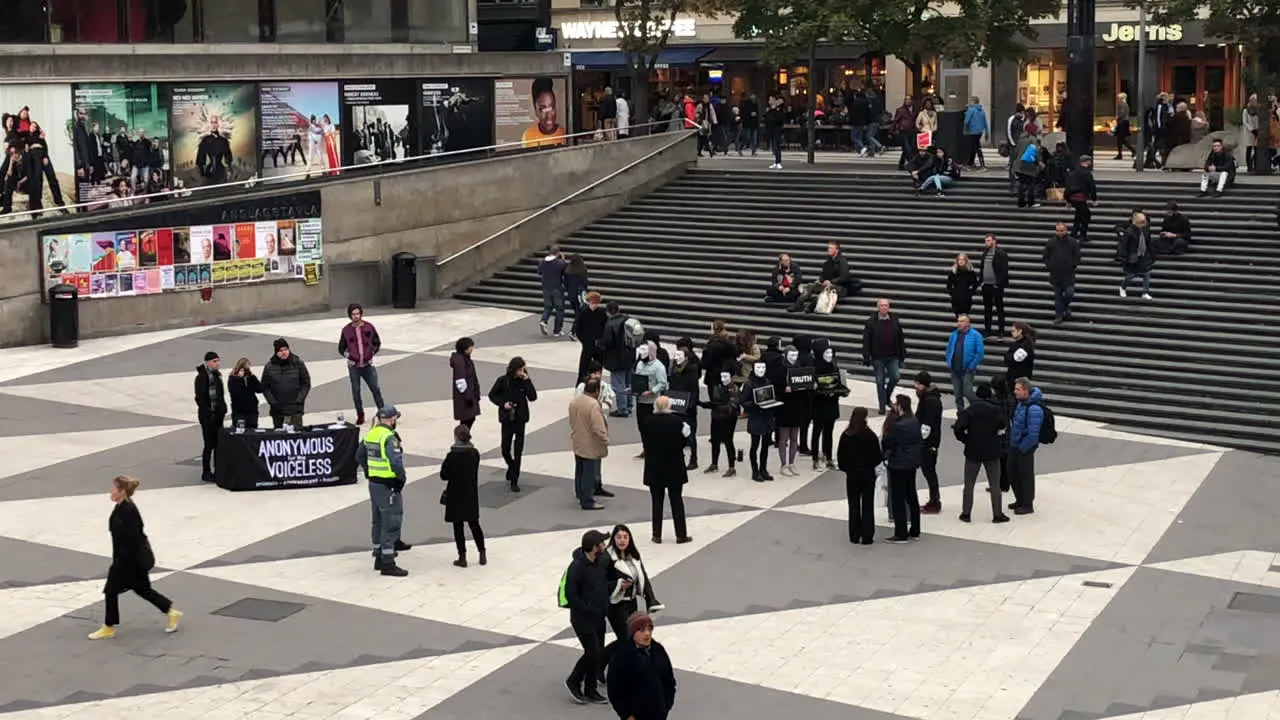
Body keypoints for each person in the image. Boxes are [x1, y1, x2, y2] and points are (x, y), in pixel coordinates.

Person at [87, 476, 182, 640]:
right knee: (143, 590)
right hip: (128, 559)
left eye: (114, 489)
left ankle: (109, 627)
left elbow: (134, 537)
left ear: (122, 491)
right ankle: (171, 612)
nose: (111, 491)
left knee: (111, 591)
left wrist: (123, 562)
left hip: (128, 561)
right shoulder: (121, 507)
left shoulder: (128, 510)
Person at [357, 405, 410, 576]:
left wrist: (369, 471)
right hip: (388, 484)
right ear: (391, 419)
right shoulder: (389, 437)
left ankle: (379, 554)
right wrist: (401, 479)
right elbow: (395, 462)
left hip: (374, 484)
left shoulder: (371, 434)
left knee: (378, 519)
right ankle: (388, 562)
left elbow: (359, 455)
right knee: (391, 521)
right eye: (395, 419)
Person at [565, 529, 612, 705]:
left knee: (597, 654)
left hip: (599, 616)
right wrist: (587, 609)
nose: (605, 546)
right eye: (602, 543)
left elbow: (606, 581)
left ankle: (591, 690)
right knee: (593, 652)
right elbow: (571, 594)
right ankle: (574, 680)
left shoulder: (601, 561)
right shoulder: (577, 567)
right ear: (594, 548)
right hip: (582, 618)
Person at [952, 384, 1010, 523]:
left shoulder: (971, 410)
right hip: (992, 450)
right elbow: (1004, 425)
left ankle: (966, 513)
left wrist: (966, 440)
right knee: (995, 484)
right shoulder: (996, 410)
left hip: (973, 450)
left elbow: (958, 428)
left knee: (969, 484)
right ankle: (997, 514)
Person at [606, 612, 678, 720]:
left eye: (650, 629)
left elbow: (669, 681)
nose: (647, 634)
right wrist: (626, 715)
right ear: (632, 633)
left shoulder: (658, 650)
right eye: (642, 630)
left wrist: (666, 706)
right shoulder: (621, 656)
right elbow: (615, 690)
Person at [642, 396, 692, 544]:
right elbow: (685, 441)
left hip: (654, 466)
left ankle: (656, 534)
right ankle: (681, 534)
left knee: (656, 502)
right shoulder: (678, 422)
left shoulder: (647, 422)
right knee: (676, 500)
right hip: (674, 466)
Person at [489, 356, 537, 492]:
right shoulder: (503, 381)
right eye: (520, 369)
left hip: (520, 418)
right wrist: (503, 404)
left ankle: (515, 479)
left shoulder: (524, 382)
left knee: (518, 449)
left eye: (523, 369)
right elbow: (492, 395)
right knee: (505, 448)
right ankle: (511, 466)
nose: (522, 372)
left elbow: (533, 397)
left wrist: (527, 381)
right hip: (507, 418)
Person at [441, 423, 486, 568]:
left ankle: (462, 556)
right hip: (470, 493)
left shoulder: (452, 456)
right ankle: (482, 552)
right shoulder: (474, 454)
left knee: (458, 526)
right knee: (474, 524)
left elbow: (444, 475)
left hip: (455, 494)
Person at [837, 407, 883, 545]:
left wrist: (847, 469)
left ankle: (854, 535)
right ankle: (867, 535)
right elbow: (877, 457)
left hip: (852, 475)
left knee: (854, 505)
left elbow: (841, 457)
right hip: (868, 474)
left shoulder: (846, 435)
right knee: (867, 505)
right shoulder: (870, 435)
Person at [881, 394, 923, 543]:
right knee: (912, 496)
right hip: (912, 463)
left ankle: (901, 533)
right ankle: (915, 530)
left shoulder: (898, 426)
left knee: (898, 499)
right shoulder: (914, 421)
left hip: (899, 464)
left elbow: (887, 442)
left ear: (900, 406)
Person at [338, 303, 384, 425]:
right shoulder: (346, 330)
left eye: (358, 314)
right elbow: (341, 348)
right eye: (353, 314)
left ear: (361, 314)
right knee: (356, 391)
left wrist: (372, 352)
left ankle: (382, 412)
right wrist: (349, 355)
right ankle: (360, 415)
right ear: (350, 315)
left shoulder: (369, 327)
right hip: (354, 367)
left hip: (368, 365)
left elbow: (377, 342)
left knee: (375, 388)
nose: (356, 316)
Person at [569, 378, 610, 511]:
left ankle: (580, 493)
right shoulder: (593, 405)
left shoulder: (575, 402)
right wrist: (605, 439)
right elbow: (598, 427)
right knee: (589, 472)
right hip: (590, 444)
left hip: (577, 440)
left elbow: (571, 420)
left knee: (579, 469)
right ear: (597, 391)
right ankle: (587, 500)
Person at [862, 298, 907, 415]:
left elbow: (900, 337)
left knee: (896, 377)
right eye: (882, 305)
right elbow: (866, 340)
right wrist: (866, 356)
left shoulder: (894, 320)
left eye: (886, 305)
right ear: (878, 307)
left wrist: (902, 354)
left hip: (893, 355)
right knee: (880, 381)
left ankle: (886, 397)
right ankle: (882, 405)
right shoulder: (871, 321)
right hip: (878, 357)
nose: (884, 308)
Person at [1008, 378, 1045, 515]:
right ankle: (1020, 500)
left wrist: (1022, 447)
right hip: (1015, 445)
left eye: (1018, 389)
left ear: (1025, 390)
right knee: (1012, 472)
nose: (1015, 392)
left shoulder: (1034, 409)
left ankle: (1027, 504)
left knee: (1025, 475)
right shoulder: (1021, 404)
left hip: (1024, 447)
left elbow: (1033, 434)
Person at [810, 338, 848, 470]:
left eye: (831, 353)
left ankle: (829, 456)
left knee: (829, 432)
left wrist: (842, 391)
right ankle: (815, 458)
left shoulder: (833, 365)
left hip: (832, 403)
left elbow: (838, 382)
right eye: (826, 353)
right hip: (819, 405)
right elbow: (811, 388)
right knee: (817, 431)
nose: (829, 355)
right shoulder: (814, 367)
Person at [774, 344, 810, 476]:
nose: (794, 358)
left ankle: (792, 462)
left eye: (795, 355)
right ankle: (783, 464)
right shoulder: (780, 369)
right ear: (786, 355)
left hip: (797, 405)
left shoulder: (799, 368)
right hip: (784, 406)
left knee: (794, 436)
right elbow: (776, 387)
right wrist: (784, 389)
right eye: (791, 355)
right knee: (784, 437)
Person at [261, 338, 311, 429]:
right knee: (279, 436)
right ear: (276, 352)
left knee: (296, 435)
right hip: (278, 410)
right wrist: (273, 402)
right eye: (281, 350)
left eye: (285, 349)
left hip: (295, 408)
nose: (284, 352)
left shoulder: (298, 363)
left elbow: (306, 383)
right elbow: (265, 387)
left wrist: (299, 399)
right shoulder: (269, 366)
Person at [668, 338, 702, 469]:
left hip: (688, 403)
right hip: (676, 401)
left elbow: (693, 388)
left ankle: (693, 459)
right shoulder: (674, 368)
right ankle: (678, 457)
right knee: (676, 432)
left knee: (690, 432)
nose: (676, 357)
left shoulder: (692, 369)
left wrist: (691, 404)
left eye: (679, 355)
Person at [914, 371, 944, 514]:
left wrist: (918, 440)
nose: (916, 387)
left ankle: (935, 501)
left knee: (929, 471)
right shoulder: (928, 398)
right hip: (929, 440)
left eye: (918, 384)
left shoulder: (930, 401)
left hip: (929, 442)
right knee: (929, 471)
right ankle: (934, 500)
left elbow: (927, 424)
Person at [193, 351, 225, 483]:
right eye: (214, 361)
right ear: (208, 362)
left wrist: (222, 408)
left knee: (218, 443)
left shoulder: (217, 376)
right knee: (209, 444)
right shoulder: (202, 377)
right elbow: (200, 398)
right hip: (207, 416)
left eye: (218, 360)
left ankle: (218, 469)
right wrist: (208, 413)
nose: (217, 363)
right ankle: (206, 471)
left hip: (217, 414)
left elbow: (220, 395)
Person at [741, 361, 775, 481]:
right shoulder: (749, 384)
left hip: (767, 417)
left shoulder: (767, 381)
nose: (761, 369)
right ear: (754, 369)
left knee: (765, 446)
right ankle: (755, 471)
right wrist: (755, 404)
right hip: (756, 417)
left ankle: (763, 469)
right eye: (758, 367)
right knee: (754, 446)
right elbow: (743, 401)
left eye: (763, 367)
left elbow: (771, 396)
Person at [600, 301, 634, 418]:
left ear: (608, 311)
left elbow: (607, 341)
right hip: (630, 356)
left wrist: (599, 344)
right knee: (628, 382)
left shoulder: (611, 324)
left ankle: (622, 408)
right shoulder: (628, 320)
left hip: (616, 358)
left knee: (618, 384)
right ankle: (629, 405)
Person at [945, 314, 986, 411]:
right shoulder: (954, 335)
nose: (959, 323)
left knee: (968, 392)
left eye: (961, 321)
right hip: (955, 368)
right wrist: (948, 361)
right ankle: (961, 415)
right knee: (957, 394)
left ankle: (977, 409)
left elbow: (980, 352)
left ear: (967, 323)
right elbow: (949, 349)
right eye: (958, 321)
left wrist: (972, 366)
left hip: (968, 369)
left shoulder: (976, 335)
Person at [1043, 222, 1081, 324]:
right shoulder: (1051, 242)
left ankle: (1065, 307)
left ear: (1066, 230)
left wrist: (1072, 265)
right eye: (1058, 231)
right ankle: (1059, 316)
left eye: (1062, 230)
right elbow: (1045, 256)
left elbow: (1077, 256)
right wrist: (1050, 266)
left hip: (1068, 274)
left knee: (1069, 292)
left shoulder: (1072, 242)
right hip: (1056, 275)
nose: (1059, 233)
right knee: (1057, 296)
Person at [633, 342, 668, 446]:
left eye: (644, 350)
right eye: (640, 350)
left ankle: (652, 446)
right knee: (641, 426)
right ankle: (645, 446)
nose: (641, 352)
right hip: (640, 400)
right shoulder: (639, 364)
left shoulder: (658, 367)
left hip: (651, 402)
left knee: (650, 427)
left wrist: (652, 391)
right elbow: (636, 378)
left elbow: (663, 383)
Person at [976, 233, 1010, 339]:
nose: (986, 243)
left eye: (989, 240)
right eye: (986, 241)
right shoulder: (985, 253)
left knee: (999, 308)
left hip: (996, 286)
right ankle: (987, 330)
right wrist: (980, 281)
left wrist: (999, 283)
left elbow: (1004, 270)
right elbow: (982, 268)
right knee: (987, 309)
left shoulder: (1001, 253)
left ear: (994, 241)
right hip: (986, 285)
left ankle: (1001, 331)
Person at [1119, 210, 1156, 300]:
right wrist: (1124, 258)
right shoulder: (1129, 232)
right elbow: (1123, 245)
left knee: (1147, 273)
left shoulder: (1145, 230)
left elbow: (1148, 243)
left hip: (1144, 254)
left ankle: (1145, 292)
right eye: (1141, 222)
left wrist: (1152, 255)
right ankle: (1123, 287)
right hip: (1133, 256)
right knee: (1132, 274)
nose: (1143, 224)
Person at [522, 77, 567, 148]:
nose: (548, 116)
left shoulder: (564, 134)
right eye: (543, 109)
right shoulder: (528, 136)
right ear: (535, 110)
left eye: (551, 107)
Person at [1065, 155, 1098, 242]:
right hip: (1081, 197)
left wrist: (1067, 199)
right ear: (1086, 162)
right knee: (1086, 215)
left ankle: (1074, 233)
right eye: (1089, 161)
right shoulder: (1087, 173)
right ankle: (1083, 234)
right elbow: (1092, 186)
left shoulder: (1073, 172)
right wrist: (1094, 199)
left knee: (1079, 215)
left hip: (1072, 197)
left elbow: (1068, 186)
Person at [575, 291, 608, 380]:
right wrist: (583, 340)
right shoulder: (583, 313)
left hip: (598, 344)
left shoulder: (602, 313)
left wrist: (601, 341)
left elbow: (605, 328)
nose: (594, 305)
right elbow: (578, 328)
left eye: (596, 303)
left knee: (598, 366)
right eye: (593, 303)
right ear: (589, 302)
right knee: (584, 366)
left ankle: (596, 384)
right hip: (587, 344)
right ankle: (581, 383)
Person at [451, 337, 482, 429]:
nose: (472, 349)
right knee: (467, 419)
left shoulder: (466, 359)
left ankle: (463, 437)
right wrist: (468, 397)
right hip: (465, 397)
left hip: (470, 393)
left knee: (469, 418)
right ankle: (462, 437)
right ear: (465, 349)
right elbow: (460, 381)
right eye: (470, 347)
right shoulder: (460, 361)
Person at [227, 357, 262, 430]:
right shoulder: (233, 379)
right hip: (239, 411)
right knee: (240, 432)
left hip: (252, 411)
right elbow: (235, 393)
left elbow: (259, 389)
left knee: (252, 431)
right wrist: (240, 379)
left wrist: (252, 377)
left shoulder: (250, 378)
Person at [538, 246, 567, 336]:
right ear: (558, 253)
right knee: (559, 308)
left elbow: (539, 272)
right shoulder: (559, 263)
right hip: (556, 288)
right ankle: (557, 330)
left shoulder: (542, 262)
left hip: (546, 287)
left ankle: (544, 320)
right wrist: (563, 259)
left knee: (548, 306)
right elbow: (564, 270)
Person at [564, 254, 590, 341]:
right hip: (580, 294)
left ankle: (578, 330)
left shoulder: (568, 271)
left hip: (571, 294)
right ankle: (573, 331)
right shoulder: (582, 270)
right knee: (580, 313)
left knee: (577, 312)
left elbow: (565, 283)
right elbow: (585, 283)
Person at [946, 254, 978, 318]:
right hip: (956, 299)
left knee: (965, 317)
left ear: (966, 261)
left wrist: (970, 293)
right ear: (957, 261)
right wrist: (953, 293)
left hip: (966, 299)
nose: (961, 261)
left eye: (963, 259)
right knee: (958, 317)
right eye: (959, 260)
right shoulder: (953, 272)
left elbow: (975, 284)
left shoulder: (970, 272)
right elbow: (948, 285)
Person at [962, 96, 988, 168]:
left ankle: (978, 163)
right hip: (979, 132)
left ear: (972, 102)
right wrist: (987, 132)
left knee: (974, 147)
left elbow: (966, 121)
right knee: (975, 146)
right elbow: (985, 122)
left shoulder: (971, 110)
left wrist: (965, 130)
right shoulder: (981, 111)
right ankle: (971, 162)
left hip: (971, 131)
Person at [764, 94, 786, 169]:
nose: (769, 101)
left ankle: (778, 161)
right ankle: (776, 161)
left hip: (777, 129)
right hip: (771, 129)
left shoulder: (779, 109)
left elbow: (780, 118)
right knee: (773, 146)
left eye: (770, 100)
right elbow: (766, 117)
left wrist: (774, 109)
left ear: (774, 100)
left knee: (777, 146)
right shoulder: (769, 109)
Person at [1114, 92, 1135, 160]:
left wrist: (1116, 119)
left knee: (1122, 139)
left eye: (1118, 98)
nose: (1117, 99)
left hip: (1123, 123)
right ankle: (1120, 154)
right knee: (1120, 140)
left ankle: (1133, 151)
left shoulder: (1123, 105)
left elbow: (1122, 114)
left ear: (1122, 98)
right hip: (1123, 122)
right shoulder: (1123, 104)